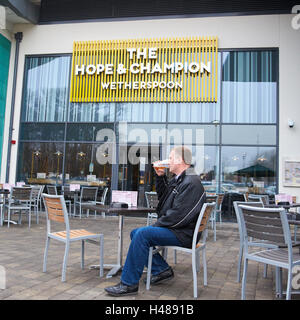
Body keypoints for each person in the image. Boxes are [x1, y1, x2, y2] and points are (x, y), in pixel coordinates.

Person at [104, 146, 206, 296]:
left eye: (171, 158)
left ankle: (129, 284)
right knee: (136, 233)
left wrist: (156, 226)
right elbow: (164, 198)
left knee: (142, 234)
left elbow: (179, 216)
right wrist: (160, 176)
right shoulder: (180, 179)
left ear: (179, 160)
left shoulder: (191, 182)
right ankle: (161, 269)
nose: (168, 161)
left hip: (183, 233)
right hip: (178, 229)